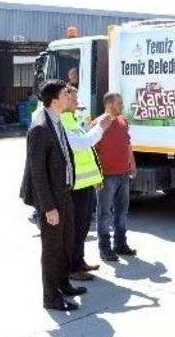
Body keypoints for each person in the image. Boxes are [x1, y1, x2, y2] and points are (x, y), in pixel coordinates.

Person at [19, 80, 86, 311]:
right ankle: (50, 297)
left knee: (66, 243)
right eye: (66, 93)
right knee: (52, 248)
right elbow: (37, 172)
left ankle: (63, 284)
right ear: (55, 100)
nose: (70, 96)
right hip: (51, 200)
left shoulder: (57, 121)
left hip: (65, 193)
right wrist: (48, 208)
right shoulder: (40, 128)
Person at [60, 86, 115, 281]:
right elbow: (81, 144)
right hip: (75, 186)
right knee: (75, 227)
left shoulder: (71, 119)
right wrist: (100, 128)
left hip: (84, 183)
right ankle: (72, 268)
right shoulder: (62, 121)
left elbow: (83, 139)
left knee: (82, 226)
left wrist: (94, 127)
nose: (77, 102)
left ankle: (79, 261)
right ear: (63, 100)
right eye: (73, 99)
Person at [95, 92, 137, 262]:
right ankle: (104, 248)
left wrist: (132, 164)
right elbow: (93, 152)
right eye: (119, 103)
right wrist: (97, 176)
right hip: (107, 176)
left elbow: (127, 145)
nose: (121, 105)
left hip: (123, 174)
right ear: (109, 104)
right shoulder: (98, 124)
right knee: (104, 214)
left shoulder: (123, 121)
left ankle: (120, 245)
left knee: (122, 212)